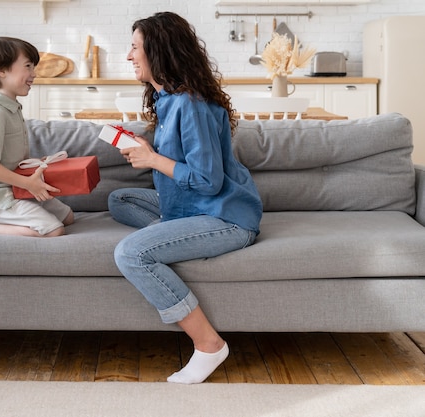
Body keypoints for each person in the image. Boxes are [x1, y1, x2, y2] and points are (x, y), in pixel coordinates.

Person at [108, 12, 263, 384]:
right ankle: (175, 234)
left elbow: (208, 181)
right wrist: (148, 150)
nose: (129, 56)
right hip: (190, 209)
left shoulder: (190, 105)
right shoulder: (168, 100)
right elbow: (181, 164)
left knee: (131, 253)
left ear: (157, 52)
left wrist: (153, 159)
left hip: (226, 217)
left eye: (134, 48)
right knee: (119, 200)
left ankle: (209, 345)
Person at [0, 37, 74, 237]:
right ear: (1, 70)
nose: (34, 74)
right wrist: (29, 184)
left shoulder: (11, 107)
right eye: (28, 66)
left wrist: (37, 163)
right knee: (55, 230)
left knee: (68, 217)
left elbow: (9, 158)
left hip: (16, 187)